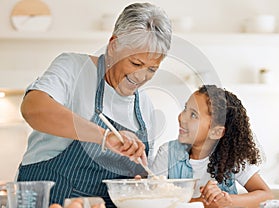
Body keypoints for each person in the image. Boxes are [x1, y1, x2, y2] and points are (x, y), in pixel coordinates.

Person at [17, 2, 172, 208]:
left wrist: (140, 185)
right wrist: (104, 137)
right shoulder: (74, 68)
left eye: (152, 69)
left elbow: (141, 175)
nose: (140, 76)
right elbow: (33, 109)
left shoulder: (145, 107)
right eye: (135, 63)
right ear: (114, 44)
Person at [150, 85, 273, 208]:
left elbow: (266, 195)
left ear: (216, 132)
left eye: (193, 115)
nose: (182, 117)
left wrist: (227, 200)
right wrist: (201, 202)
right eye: (185, 109)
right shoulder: (167, 153)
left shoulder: (231, 157)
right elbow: (152, 199)